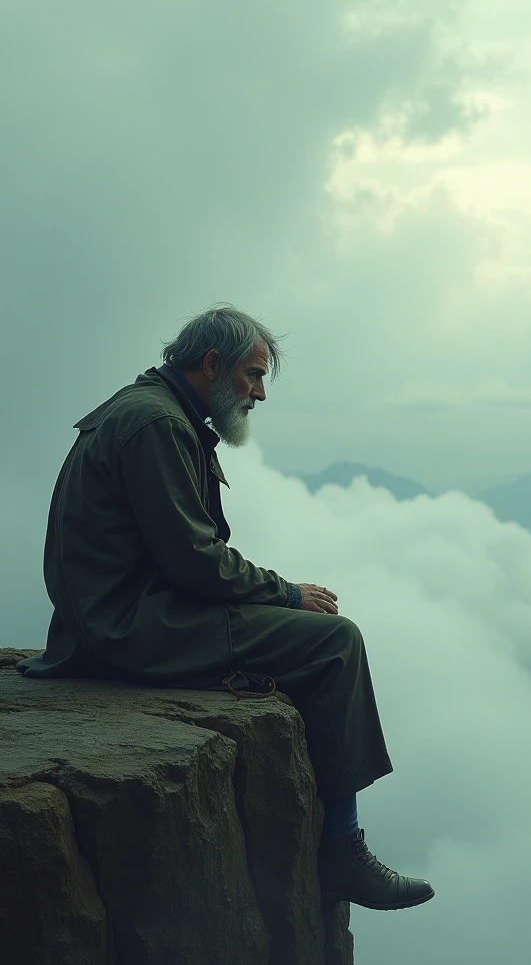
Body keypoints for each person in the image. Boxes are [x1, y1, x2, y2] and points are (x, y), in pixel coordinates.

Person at [16, 303, 435, 912]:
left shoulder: (148, 410)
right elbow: (192, 557)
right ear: (212, 365)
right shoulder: (157, 425)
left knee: (310, 639)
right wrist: (287, 592)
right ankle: (342, 852)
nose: (260, 393)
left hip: (120, 616)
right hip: (131, 626)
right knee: (334, 641)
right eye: (253, 375)